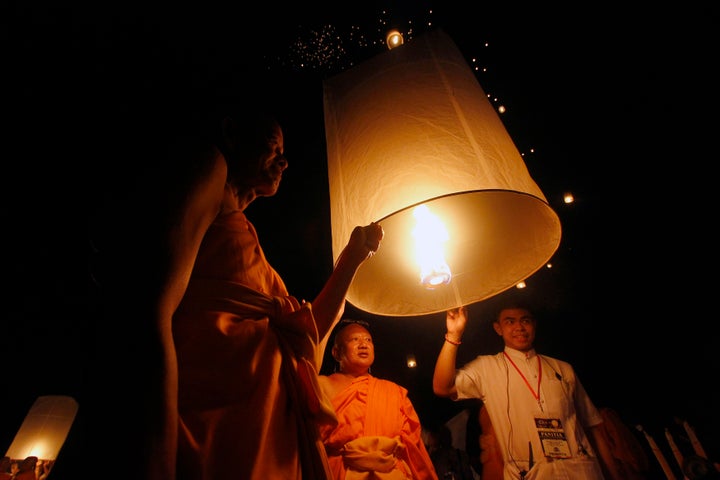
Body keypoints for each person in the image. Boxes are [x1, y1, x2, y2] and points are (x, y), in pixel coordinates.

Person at [91, 90, 384, 480]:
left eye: (284, 150)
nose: (283, 159)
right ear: (231, 132)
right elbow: (148, 306)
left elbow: (305, 345)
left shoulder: (249, 245)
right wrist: (153, 455)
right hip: (216, 428)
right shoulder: (207, 168)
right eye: (272, 144)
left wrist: (351, 259)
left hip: (262, 436)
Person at [432, 302, 624, 480]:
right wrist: (454, 335)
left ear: (534, 325)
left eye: (525, 321)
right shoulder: (487, 368)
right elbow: (442, 387)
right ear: (498, 328)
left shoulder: (563, 369)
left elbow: (593, 428)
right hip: (530, 473)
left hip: (582, 471)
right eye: (510, 321)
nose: (519, 328)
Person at [318, 319, 438, 479]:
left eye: (368, 340)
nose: (363, 344)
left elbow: (413, 447)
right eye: (355, 339)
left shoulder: (394, 392)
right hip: (339, 472)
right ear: (336, 352)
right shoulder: (322, 385)